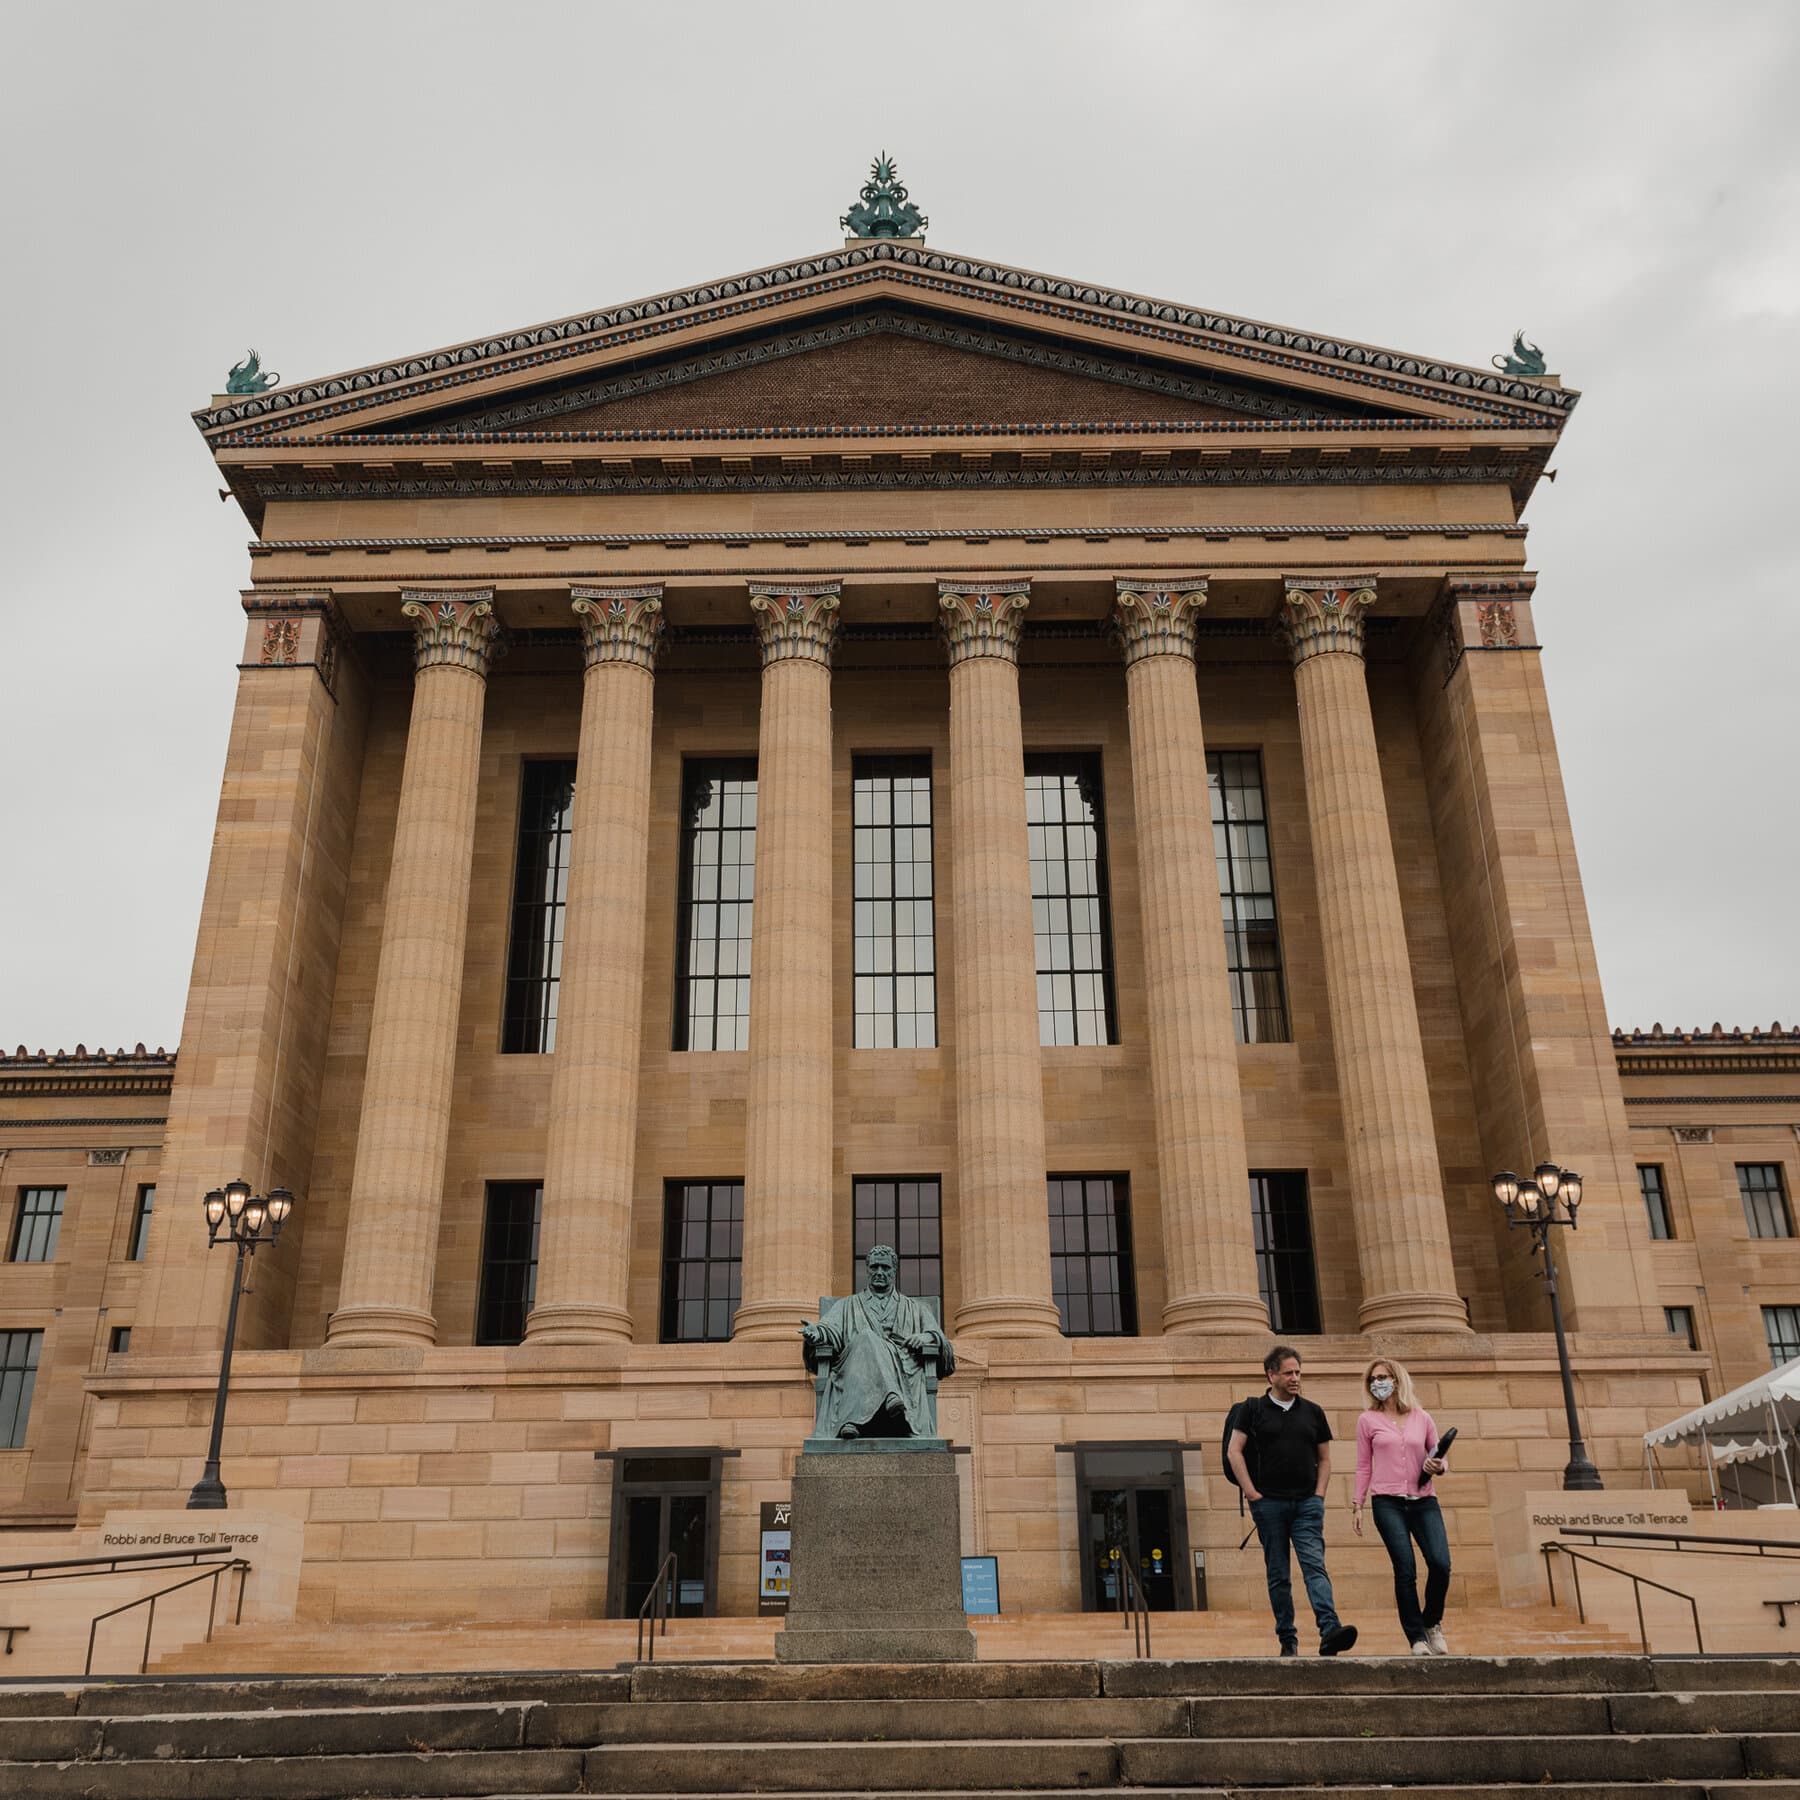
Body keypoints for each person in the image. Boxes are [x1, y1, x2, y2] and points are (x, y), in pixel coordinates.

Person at [1227, 1344, 1358, 1657]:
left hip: (1306, 1505)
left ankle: (1330, 1630)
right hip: (1268, 1504)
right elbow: (1234, 1451)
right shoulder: (1252, 1410)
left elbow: (1324, 1458)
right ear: (1271, 1375)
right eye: (1289, 1373)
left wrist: (1320, 1494)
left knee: (1315, 1567)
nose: (1295, 1377)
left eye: (1298, 1372)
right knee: (1279, 1575)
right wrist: (1251, 1492)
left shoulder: (1313, 1412)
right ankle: (1288, 1640)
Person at [1351, 1355, 1452, 1655]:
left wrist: (1439, 1466)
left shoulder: (1422, 1417)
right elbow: (1362, 1466)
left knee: (1440, 1563)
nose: (1377, 1383)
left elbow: (1440, 1455)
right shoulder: (1367, 1420)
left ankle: (1431, 1621)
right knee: (1405, 1569)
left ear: (1397, 1379)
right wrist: (1358, 1503)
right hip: (1387, 1502)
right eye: (1373, 1379)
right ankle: (1416, 1637)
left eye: (1382, 1377)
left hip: (1424, 1500)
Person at [799, 1244, 952, 1439]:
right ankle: (891, 1397)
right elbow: (830, 1328)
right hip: (855, 1370)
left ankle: (851, 1420)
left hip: (902, 1367)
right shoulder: (847, 1305)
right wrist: (817, 1333)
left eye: (885, 1268)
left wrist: (926, 1337)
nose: (879, 1272)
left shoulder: (916, 1308)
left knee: (866, 1337)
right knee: (866, 1338)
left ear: (894, 1271)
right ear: (867, 1270)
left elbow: (942, 1341)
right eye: (874, 1267)